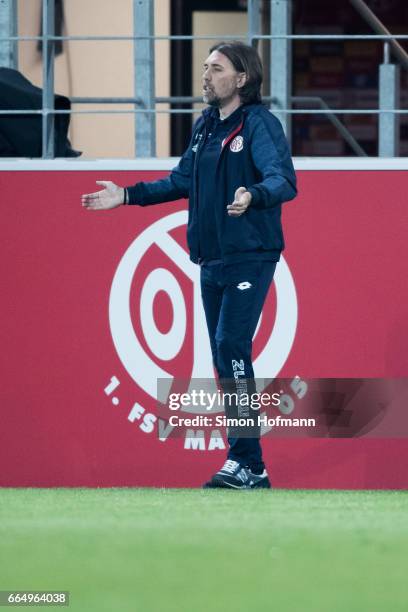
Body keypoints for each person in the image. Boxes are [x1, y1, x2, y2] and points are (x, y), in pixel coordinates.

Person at [82, 41, 297, 489]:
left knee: (231, 345)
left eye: (216, 68)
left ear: (241, 79)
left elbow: (283, 180)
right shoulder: (204, 127)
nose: (205, 74)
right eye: (204, 67)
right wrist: (126, 195)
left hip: (249, 254)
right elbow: (181, 180)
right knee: (225, 355)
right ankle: (250, 466)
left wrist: (252, 195)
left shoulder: (258, 124)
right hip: (210, 258)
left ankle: (247, 461)